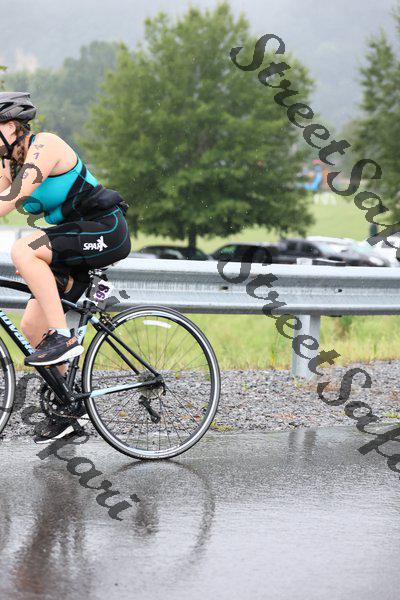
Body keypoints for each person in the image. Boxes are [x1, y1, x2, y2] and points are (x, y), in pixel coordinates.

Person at [0, 91, 131, 442]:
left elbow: (9, 200)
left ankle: (63, 336)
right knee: (31, 326)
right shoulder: (7, 164)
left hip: (105, 228)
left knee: (25, 248)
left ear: (10, 127)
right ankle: (68, 407)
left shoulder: (47, 145)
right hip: (74, 240)